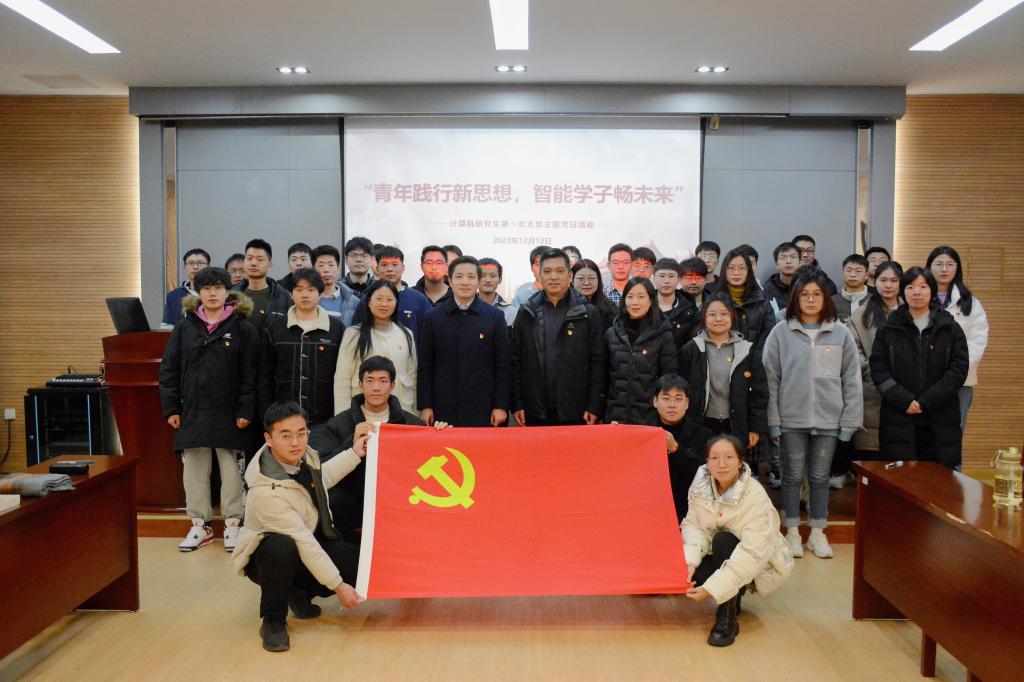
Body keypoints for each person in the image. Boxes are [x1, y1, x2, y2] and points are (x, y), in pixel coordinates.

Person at [232, 401, 365, 652]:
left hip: (305, 543)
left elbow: (321, 478)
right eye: (286, 436)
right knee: (281, 546)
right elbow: (303, 541)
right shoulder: (265, 490)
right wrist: (338, 587)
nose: (296, 442)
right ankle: (273, 621)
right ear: (268, 439)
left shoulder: (303, 458)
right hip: (266, 558)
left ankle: (297, 591)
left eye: (301, 433)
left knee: (360, 567)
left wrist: (355, 453)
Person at [158, 267, 260, 553]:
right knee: (194, 469)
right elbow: (169, 370)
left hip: (231, 412)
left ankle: (233, 524)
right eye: (206, 288)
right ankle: (199, 525)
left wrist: (246, 410)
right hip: (192, 410)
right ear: (198, 292)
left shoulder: (243, 328)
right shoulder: (185, 327)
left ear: (228, 292)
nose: (212, 293)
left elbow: (251, 375)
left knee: (231, 470)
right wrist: (171, 408)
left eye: (218, 288)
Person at [763, 269, 863, 559]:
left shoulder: (840, 333)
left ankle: (818, 533)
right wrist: (773, 420)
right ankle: (792, 532)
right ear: (795, 298)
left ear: (825, 298)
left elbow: (852, 380)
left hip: (828, 419)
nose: (810, 299)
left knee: (820, 478)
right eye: (804, 294)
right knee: (792, 476)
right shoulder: (780, 332)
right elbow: (770, 379)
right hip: (790, 419)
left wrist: (850, 421)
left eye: (816, 294)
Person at [682, 435, 794, 648]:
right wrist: (691, 562)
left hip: (760, 562)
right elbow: (694, 526)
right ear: (707, 462)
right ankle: (733, 594)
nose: (721, 464)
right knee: (695, 572)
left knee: (724, 540)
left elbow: (752, 553)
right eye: (714, 458)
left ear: (740, 462)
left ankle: (727, 619)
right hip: (725, 555)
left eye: (729, 457)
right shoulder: (701, 484)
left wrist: (712, 589)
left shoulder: (755, 495)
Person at [314, 356, 427, 543]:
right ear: (360, 385)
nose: (376, 387)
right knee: (334, 499)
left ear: (392, 386)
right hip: (354, 502)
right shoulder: (339, 423)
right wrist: (351, 442)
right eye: (370, 380)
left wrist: (440, 433)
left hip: (399, 499)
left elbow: (427, 461)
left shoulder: (411, 423)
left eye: (383, 381)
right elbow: (322, 467)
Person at [870, 266, 969, 469]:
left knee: (939, 479)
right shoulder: (889, 328)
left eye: (923, 287)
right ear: (903, 291)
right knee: (901, 477)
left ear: (932, 290)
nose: (917, 292)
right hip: (899, 414)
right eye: (911, 287)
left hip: (940, 415)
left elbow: (958, 369)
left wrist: (926, 401)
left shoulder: (950, 327)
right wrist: (904, 399)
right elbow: (878, 368)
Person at [512, 249, 607, 426]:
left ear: (570, 276)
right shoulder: (527, 311)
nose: (553, 277)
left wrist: (595, 405)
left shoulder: (587, 312)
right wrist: (517, 403)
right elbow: (516, 360)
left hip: (577, 409)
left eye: (560, 271)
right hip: (535, 408)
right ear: (539, 276)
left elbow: (598, 362)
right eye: (547, 271)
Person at [417, 256, 512, 427]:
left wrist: (500, 405)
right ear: (449, 280)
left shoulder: (495, 317)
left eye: (471, 276)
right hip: (443, 405)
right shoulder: (433, 317)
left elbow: (503, 366)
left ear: (478, 281)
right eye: (459, 276)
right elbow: (426, 366)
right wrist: (425, 405)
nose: (465, 282)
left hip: (484, 406)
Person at [259, 268, 344, 443]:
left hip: (324, 420)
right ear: (291, 293)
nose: (305, 295)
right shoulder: (276, 328)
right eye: (299, 289)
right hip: (283, 418)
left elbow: (342, 376)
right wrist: (267, 414)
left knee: (321, 460)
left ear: (320, 293)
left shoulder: (336, 329)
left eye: (311, 289)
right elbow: (265, 376)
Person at [678, 295, 768, 446]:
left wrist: (755, 428)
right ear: (704, 318)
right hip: (701, 424)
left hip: (736, 424)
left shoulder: (746, 350)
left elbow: (759, 393)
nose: (718, 319)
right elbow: (682, 390)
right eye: (712, 314)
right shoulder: (691, 350)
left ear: (732, 316)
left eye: (724, 314)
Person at [926, 245, 989, 434]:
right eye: (939, 264)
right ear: (929, 267)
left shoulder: (970, 302)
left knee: (952, 435)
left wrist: (955, 370)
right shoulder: (918, 298)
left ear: (957, 268)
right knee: (924, 435)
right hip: (924, 380)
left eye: (950, 264)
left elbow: (977, 341)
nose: (944, 269)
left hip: (960, 381)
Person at [846, 261, 903, 457]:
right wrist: (873, 371)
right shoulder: (861, 315)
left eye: (893, 280)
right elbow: (853, 350)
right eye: (883, 280)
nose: (888, 285)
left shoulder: (910, 311)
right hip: (872, 389)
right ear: (874, 281)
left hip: (907, 390)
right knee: (871, 456)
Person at [335, 279, 418, 413]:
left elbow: (412, 377)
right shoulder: (353, 334)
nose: (384, 304)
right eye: (379, 299)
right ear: (369, 302)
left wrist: (414, 414)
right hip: (363, 412)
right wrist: (343, 417)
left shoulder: (406, 334)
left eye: (390, 300)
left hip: (401, 410)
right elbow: (342, 379)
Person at [605, 277, 678, 425]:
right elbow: (603, 377)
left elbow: (669, 379)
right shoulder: (612, 333)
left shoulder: (663, 334)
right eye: (630, 297)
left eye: (641, 297)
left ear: (650, 300)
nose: (634, 302)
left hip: (649, 417)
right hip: (615, 416)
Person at [651, 375, 713, 521]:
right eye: (666, 398)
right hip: (651, 511)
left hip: (690, 514)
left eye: (678, 399)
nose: (672, 405)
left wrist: (676, 449)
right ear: (655, 401)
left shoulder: (704, 435)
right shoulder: (644, 432)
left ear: (687, 403)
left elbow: (706, 476)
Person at [714, 248, 774, 353]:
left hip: (755, 360)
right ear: (724, 271)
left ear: (749, 271)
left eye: (742, 268)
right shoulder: (713, 301)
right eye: (731, 268)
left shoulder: (762, 301)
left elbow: (768, 338)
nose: (736, 273)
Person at [370, 245, 432, 345]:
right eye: (384, 265)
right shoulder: (369, 299)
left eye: (395, 264)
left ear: (403, 268)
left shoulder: (418, 299)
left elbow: (430, 336)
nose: (390, 269)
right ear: (377, 269)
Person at [235, 238, 292, 325]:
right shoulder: (232, 295)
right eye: (249, 258)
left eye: (260, 259)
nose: (253, 263)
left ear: (270, 265)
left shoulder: (283, 296)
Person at [653, 257, 699, 348]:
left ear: (679, 279)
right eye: (662, 276)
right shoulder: (644, 306)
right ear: (654, 278)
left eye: (671, 276)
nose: (666, 281)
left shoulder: (689, 310)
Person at [312, 244, 360, 326]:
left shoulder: (354, 302)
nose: (326, 270)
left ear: (338, 269)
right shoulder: (305, 298)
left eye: (331, 265)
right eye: (321, 265)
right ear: (313, 270)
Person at [161, 248, 209, 327]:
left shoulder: (216, 294)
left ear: (208, 268)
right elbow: (167, 327)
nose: (195, 267)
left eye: (200, 263)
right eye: (191, 263)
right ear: (185, 268)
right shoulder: (173, 296)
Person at [571, 259, 617, 331]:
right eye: (581, 278)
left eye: (591, 278)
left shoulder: (610, 307)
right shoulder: (565, 305)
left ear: (598, 280)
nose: (586, 283)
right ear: (572, 280)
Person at [762, 242, 800, 320]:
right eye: (783, 257)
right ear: (776, 264)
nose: (788, 261)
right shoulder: (766, 290)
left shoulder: (808, 287)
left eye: (793, 257)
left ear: (800, 262)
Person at [477, 257, 516, 326]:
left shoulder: (512, 312)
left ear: (500, 279)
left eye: (493, 276)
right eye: (482, 276)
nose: (488, 280)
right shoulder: (465, 309)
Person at [832, 254, 870, 323]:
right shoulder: (831, 302)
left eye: (858, 271)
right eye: (849, 270)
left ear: (866, 275)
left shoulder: (875, 301)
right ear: (842, 274)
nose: (853, 275)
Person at [511, 245, 546, 312]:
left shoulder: (563, 292)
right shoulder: (521, 294)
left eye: (546, 263)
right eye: (538, 264)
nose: (541, 268)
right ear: (531, 267)